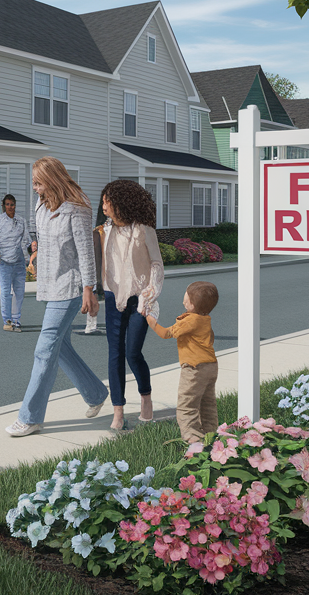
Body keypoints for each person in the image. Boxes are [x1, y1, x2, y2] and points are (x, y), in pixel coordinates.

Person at [5, 156, 109, 438]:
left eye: (38, 183)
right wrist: (36, 255)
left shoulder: (77, 209)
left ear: (51, 180)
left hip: (71, 288)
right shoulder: (41, 207)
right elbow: (45, 240)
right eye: (34, 183)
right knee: (60, 348)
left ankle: (30, 417)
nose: (35, 188)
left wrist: (90, 289)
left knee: (44, 349)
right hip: (50, 286)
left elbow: (86, 252)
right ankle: (96, 392)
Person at [94, 179, 164, 432]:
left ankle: (145, 396)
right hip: (114, 296)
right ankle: (118, 410)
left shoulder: (144, 230)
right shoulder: (105, 231)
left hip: (141, 298)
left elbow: (156, 263)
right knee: (115, 353)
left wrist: (150, 292)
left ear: (121, 202)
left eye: (107, 201)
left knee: (132, 352)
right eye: (103, 200)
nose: (103, 205)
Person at [146, 281, 220, 444]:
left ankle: (192, 439)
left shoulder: (190, 320)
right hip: (211, 366)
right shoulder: (205, 319)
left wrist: (151, 321)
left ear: (192, 305)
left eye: (185, 300)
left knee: (187, 404)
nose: (183, 302)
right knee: (207, 402)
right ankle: (210, 434)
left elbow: (167, 333)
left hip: (194, 369)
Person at [0, 194, 30, 331]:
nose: (10, 207)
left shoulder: (21, 221)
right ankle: (7, 320)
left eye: (12, 204)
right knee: (6, 291)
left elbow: (26, 240)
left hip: (19, 261)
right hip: (4, 261)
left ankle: (16, 319)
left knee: (19, 291)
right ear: (3, 206)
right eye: (7, 204)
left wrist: (30, 254)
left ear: (15, 205)